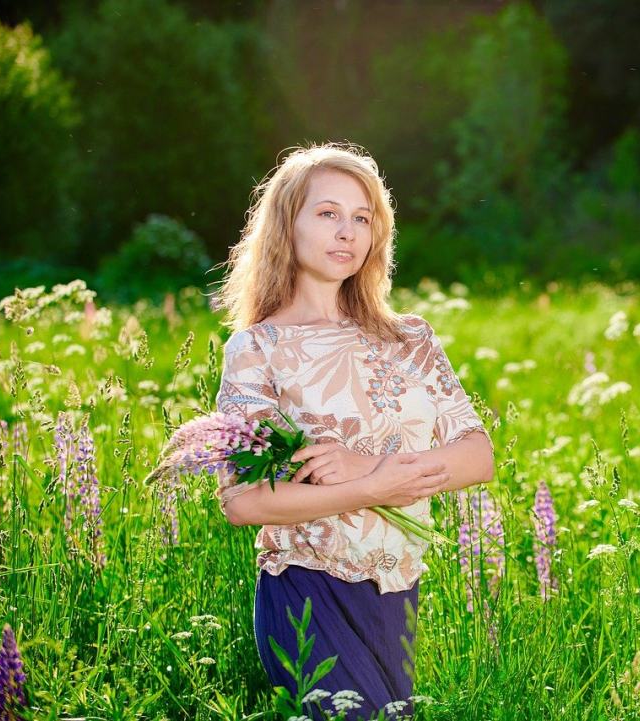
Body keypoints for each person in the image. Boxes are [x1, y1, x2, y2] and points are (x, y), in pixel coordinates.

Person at [209, 141, 496, 719]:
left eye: (362, 218)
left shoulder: (410, 338)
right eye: (328, 213)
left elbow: (478, 457)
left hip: (401, 595)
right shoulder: (257, 348)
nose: (347, 232)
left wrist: (368, 468)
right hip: (309, 592)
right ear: (286, 225)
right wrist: (369, 491)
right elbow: (242, 502)